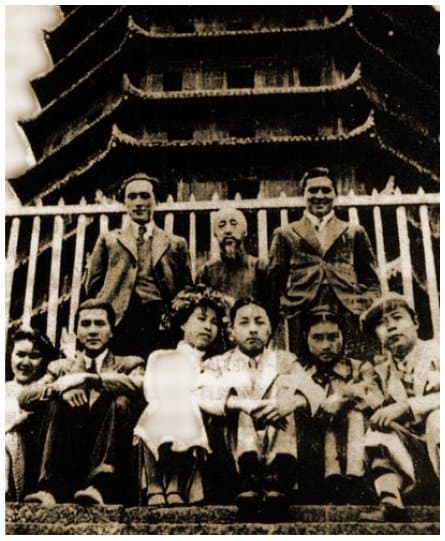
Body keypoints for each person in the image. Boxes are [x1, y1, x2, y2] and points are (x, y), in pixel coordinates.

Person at [201, 298, 327, 512]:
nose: (252, 330)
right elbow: (202, 395)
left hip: (277, 436)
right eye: (244, 323)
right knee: (240, 400)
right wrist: (241, 404)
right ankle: (249, 475)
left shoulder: (285, 360)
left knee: (286, 391)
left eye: (259, 323)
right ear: (231, 330)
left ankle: (279, 475)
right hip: (233, 447)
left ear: (269, 330)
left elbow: (316, 392)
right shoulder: (217, 363)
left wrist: (292, 402)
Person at [20, 300, 145, 506]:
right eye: (85, 324)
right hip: (70, 463)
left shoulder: (129, 363)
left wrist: (88, 378)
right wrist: (60, 389)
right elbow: (24, 397)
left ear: (111, 331)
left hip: (114, 469)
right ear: (76, 332)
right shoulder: (60, 367)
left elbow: (139, 385)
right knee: (55, 404)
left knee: (121, 400)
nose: (93, 331)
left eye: (100, 324)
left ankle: (100, 486)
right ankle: (47, 489)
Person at [267, 166, 381, 355]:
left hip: (347, 310)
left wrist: (364, 303)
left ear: (335, 195)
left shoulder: (353, 232)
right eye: (312, 190)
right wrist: (285, 305)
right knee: (302, 368)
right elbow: (273, 282)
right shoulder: (285, 234)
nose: (319, 196)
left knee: (350, 365)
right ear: (303, 195)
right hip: (300, 311)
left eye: (326, 190)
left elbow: (371, 279)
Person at [133, 285, 228, 506]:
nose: (208, 327)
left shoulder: (215, 364)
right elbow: (152, 390)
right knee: (162, 406)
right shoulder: (161, 356)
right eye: (201, 319)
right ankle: (156, 482)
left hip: (202, 422)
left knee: (187, 406)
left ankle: (177, 483)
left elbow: (212, 394)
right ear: (183, 322)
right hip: (162, 414)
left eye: (214, 322)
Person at [85, 172, 193, 357]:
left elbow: (186, 289)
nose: (138, 202)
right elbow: (93, 285)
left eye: (145, 195)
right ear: (125, 203)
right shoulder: (109, 240)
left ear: (156, 200)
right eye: (132, 197)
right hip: (120, 321)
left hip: (161, 322)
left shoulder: (176, 243)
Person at [358, 293, 439, 522]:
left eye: (397, 318)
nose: (391, 327)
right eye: (382, 324)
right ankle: (391, 501)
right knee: (378, 426)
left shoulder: (438, 351)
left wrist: (407, 406)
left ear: (415, 322)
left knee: (438, 419)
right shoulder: (382, 372)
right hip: (419, 458)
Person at [298, 306, 383, 504]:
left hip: (354, 449)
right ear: (305, 338)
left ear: (342, 337)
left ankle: (354, 481)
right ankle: (331, 481)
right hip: (312, 453)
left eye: (332, 337)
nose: (326, 345)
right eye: (318, 338)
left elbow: (375, 397)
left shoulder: (358, 367)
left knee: (353, 412)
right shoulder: (300, 371)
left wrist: (345, 396)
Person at [6, 327, 59, 501]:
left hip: (36, 465)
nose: (26, 362)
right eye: (20, 354)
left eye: (34, 356)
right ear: (10, 356)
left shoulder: (48, 389)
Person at [196, 206, 267, 306]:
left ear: (245, 231)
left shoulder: (259, 267)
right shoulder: (206, 271)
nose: (228, 231)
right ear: (215, 234)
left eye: (234, 224)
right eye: (221, 225)